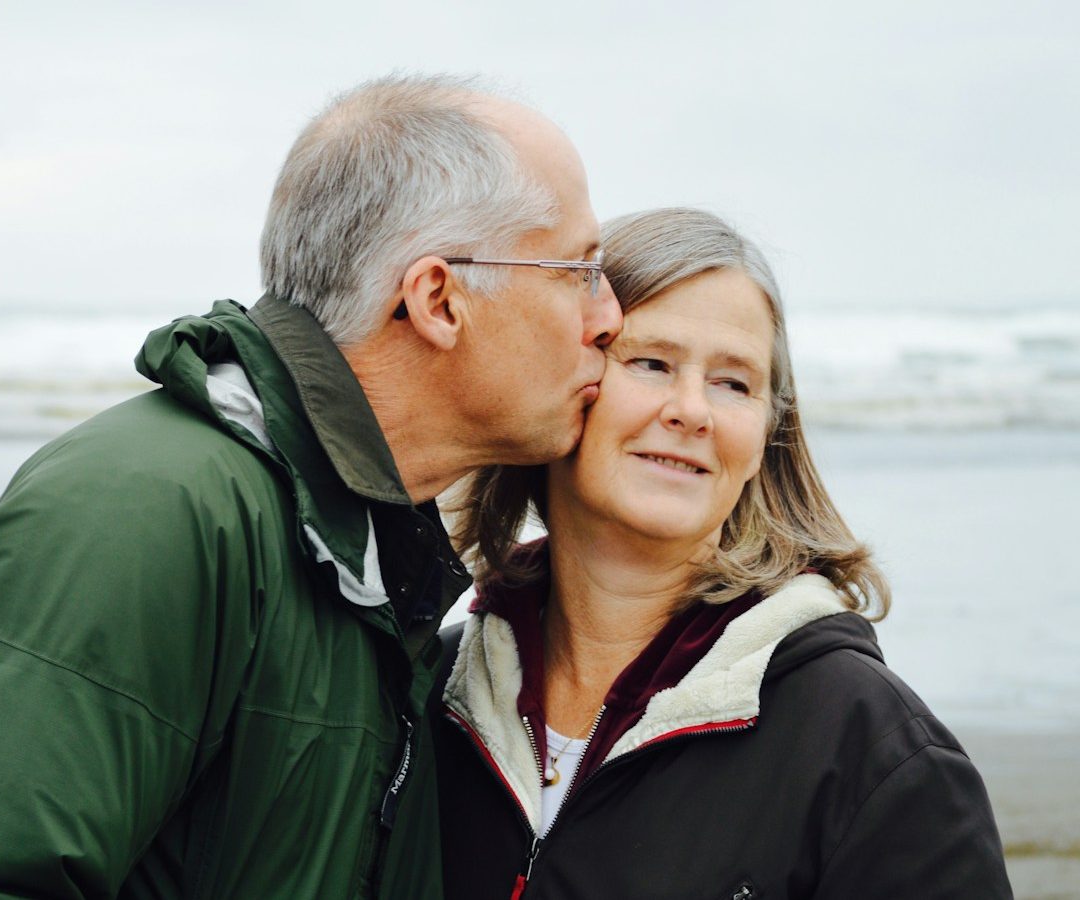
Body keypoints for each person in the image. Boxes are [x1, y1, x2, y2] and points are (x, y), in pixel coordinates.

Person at [0, 75, 622, 899]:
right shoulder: (145, 510)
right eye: (579, 269)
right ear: (437, 299)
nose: (608, 316)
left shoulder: (367, 549)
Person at [432, 208, 1013, 899]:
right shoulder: (431, 693)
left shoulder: (872, 749)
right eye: (651, 363)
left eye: (733, 382)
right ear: (567, 379)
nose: (691, 410)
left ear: (768, 433)